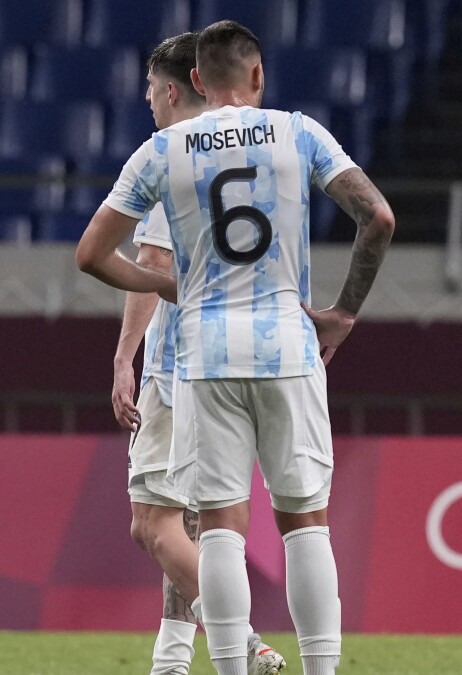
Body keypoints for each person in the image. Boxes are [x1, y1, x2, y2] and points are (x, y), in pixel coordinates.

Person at [77, 20, 395, 675]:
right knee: (306, 522)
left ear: (195, 80)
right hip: (288, 347)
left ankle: (226, 665)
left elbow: (91, 254)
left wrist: (170, 286)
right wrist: (342, 314)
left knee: (220, 526)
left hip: (205, 352)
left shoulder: (166, 148)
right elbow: (378, 217)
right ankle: (322, 669)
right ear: (257, 76)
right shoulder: (298, 131)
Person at [110, 31, 286, 675]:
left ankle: (243, 643)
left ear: (177, 87)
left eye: (153, 91)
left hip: (178, 363)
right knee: (186, 526)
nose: (148, 103)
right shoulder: (256, 150)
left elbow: (152, 261)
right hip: (244, 356)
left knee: (151, 526)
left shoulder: (173, 154)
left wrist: (125, 356)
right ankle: (173, 659)